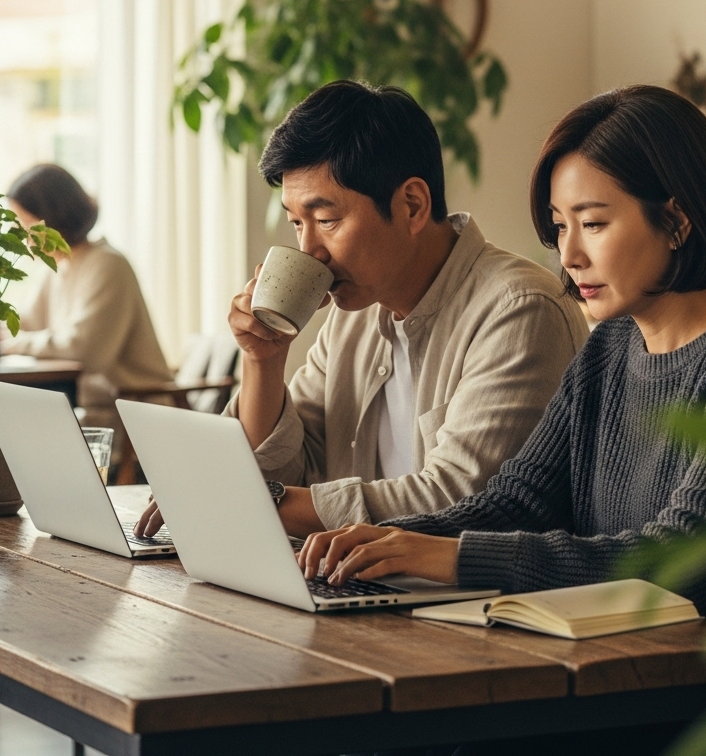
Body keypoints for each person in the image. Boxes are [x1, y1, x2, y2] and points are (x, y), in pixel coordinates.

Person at [295, 85, 706, 618]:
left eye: (594, 223)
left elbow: (690, 561)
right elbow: (518, 502)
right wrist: (378, 541)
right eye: (560, 227)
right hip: (636, 669)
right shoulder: (611, 346)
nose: (570, 253)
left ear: (676, 222)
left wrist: (454, 556)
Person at [137, 80, 587, 540]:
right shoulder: (353, 316)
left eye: (327, 220)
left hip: (468, 602)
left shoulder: (519, 309)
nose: (309, 250)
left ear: (412, 205)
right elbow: (292, 470)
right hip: (352, 583)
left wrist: (239, 497)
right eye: (297, 223)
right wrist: (262, 361)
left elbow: (461, 501)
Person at [1, 164, 173, 459]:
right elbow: (23, 324)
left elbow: (86, 351)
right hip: (89, 412)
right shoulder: (60, 267)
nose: (19, 233)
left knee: (5, 441)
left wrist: (10, 344)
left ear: (51, 218)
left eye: (24, 221)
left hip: (129, 418)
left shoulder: (107, 264)